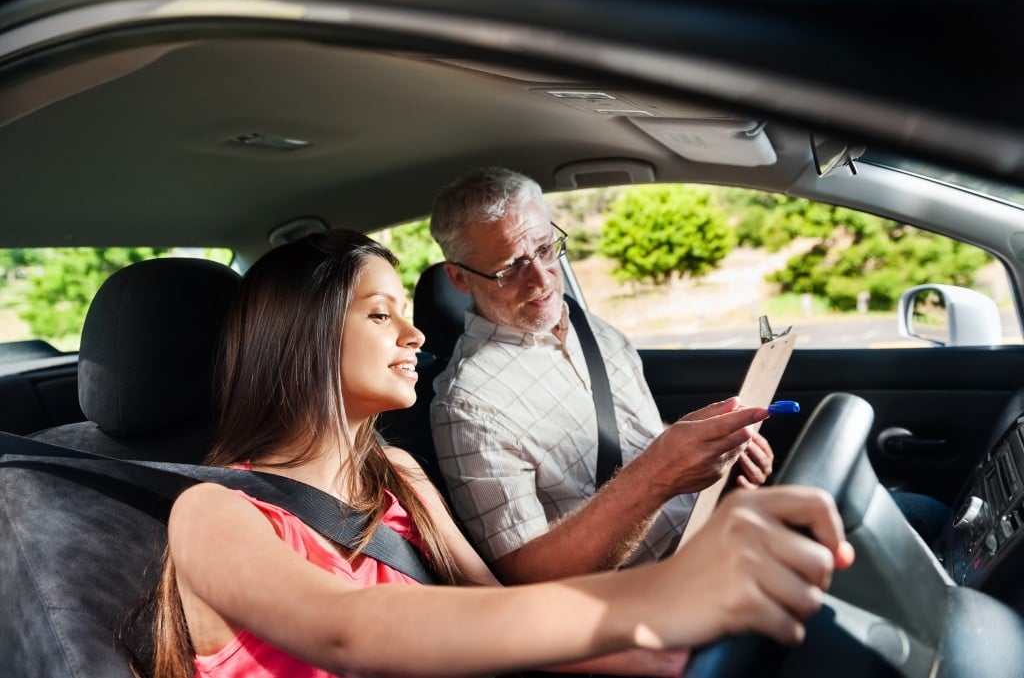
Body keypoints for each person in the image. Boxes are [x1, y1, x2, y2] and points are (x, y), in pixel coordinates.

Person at [148, 228, 854, 678]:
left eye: (409, 312)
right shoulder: (211, 513)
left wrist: (656, 649)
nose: (416, 334)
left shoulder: (396, 473)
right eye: (379, 313)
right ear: (299, 342)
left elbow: (497, 610)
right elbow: (348, 629)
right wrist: (663, 594)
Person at [429, 166, 775, 585]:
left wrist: (715, 448)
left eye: (544, 248)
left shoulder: (589, 327)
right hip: (648, 594)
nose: (541, 280)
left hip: (717, 535)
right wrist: (658, 475)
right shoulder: (467, 405)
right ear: (459, 277)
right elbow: (526, 576)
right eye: (510, 268)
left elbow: (633, 434)